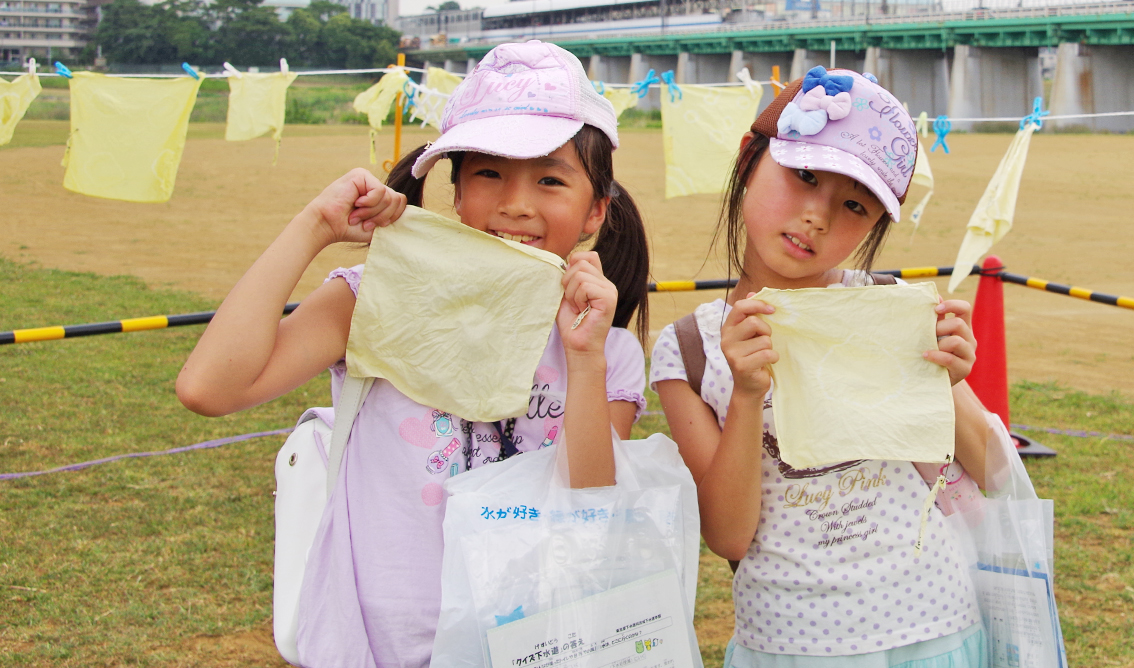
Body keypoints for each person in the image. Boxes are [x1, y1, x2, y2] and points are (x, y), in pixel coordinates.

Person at [176, 40, 651, 668]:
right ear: (456, 192)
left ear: (595, 210)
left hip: (531, 640)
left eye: (550, 179)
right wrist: (315, 227)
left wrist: (585, 358)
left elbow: (588, 505)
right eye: (489, 173)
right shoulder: (374, 297)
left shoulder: (606, 350)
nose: (515, 202)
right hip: (378, 645)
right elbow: (209, 388)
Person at [652, 68, 994, 668]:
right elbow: (730, 536)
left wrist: (949, 382)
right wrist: (745, 396)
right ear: (748, 158)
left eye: (854, 205)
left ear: (876, 226)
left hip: (935, 626)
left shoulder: (892, 307)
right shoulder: (690, 346)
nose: (817, 216)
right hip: (791, 641)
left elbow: (988, 467)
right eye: (804, 176)